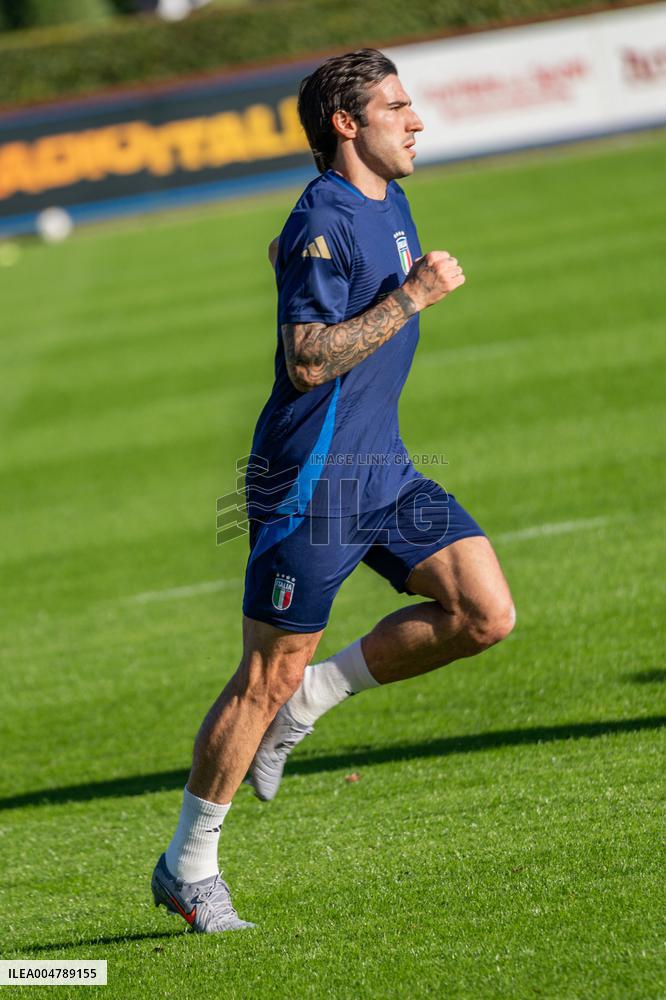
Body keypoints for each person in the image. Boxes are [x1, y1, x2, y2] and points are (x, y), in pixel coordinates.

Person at [151, 48, 515, 933]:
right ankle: (187, 864)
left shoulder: (381, 197)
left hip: (379, 467)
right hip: (310, 479)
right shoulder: (325, 208)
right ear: (346, 124)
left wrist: (316, 269)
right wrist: (414, 297)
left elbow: (309, 263)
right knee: (262, 675)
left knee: (483, 614)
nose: (417, 119)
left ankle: (313, 701)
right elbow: (307, 359)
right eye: (397, 106)